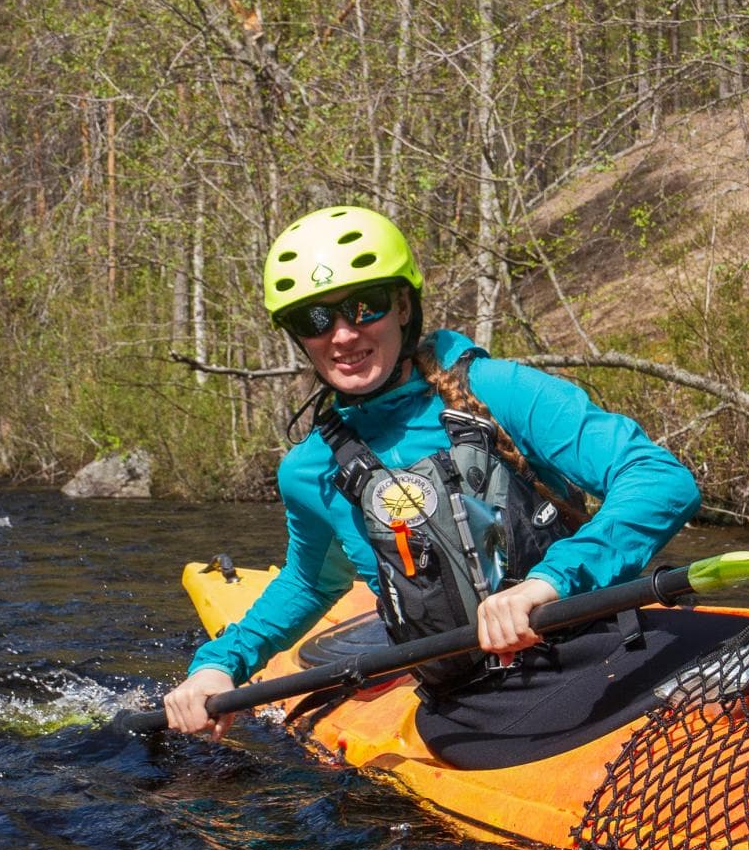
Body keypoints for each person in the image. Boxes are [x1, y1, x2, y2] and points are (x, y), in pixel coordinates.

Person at [161, 205, 700, 735]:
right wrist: (220, 663)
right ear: (298, 336)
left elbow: (658, 478)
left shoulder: (496, 389)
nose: (343, 336)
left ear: (402, 305)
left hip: (609, 645)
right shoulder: (310, 469)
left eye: (364, 306)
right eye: (315, 319)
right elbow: (308, 583)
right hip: (473, 704)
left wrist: (549, 582)